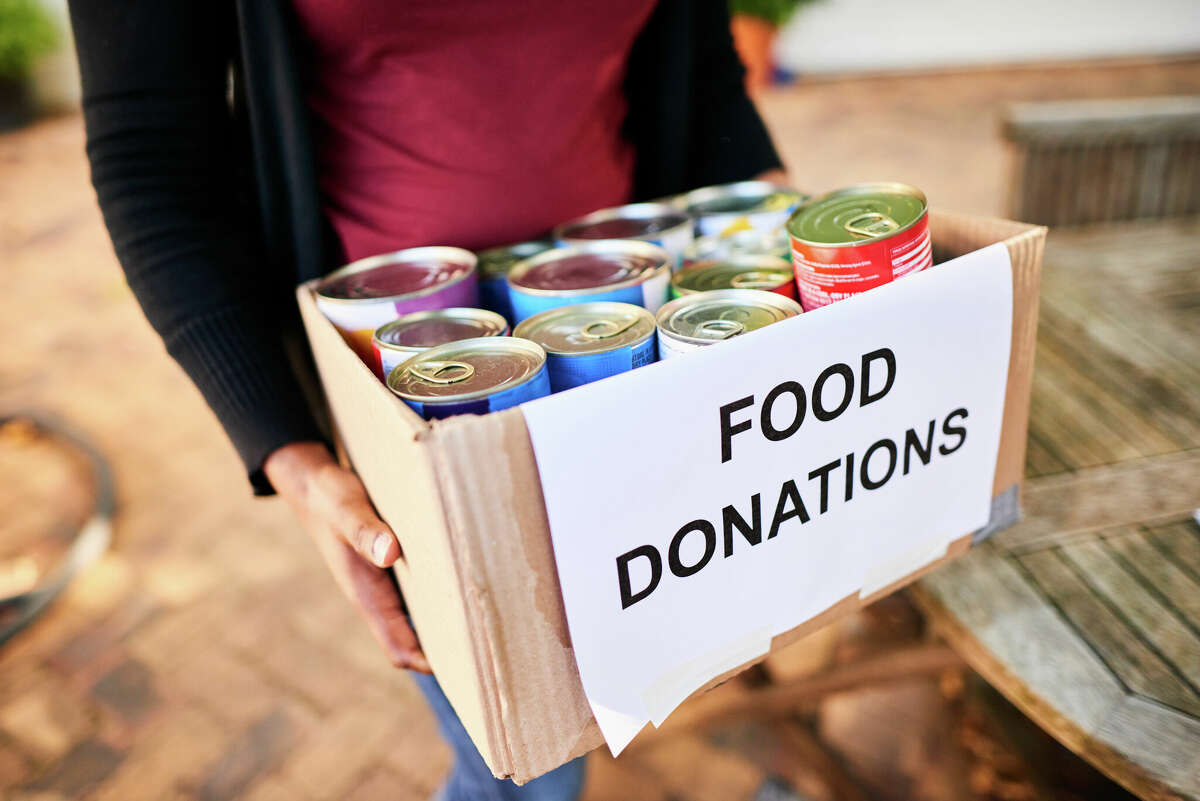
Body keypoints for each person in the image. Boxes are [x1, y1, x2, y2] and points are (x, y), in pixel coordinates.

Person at [66, 2, 786, 799]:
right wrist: (295, 458)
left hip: (637, 334)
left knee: (657, 618)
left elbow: (705, 71)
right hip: (407, 394)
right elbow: (149, 157)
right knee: (527, 772)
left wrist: (777, 240)